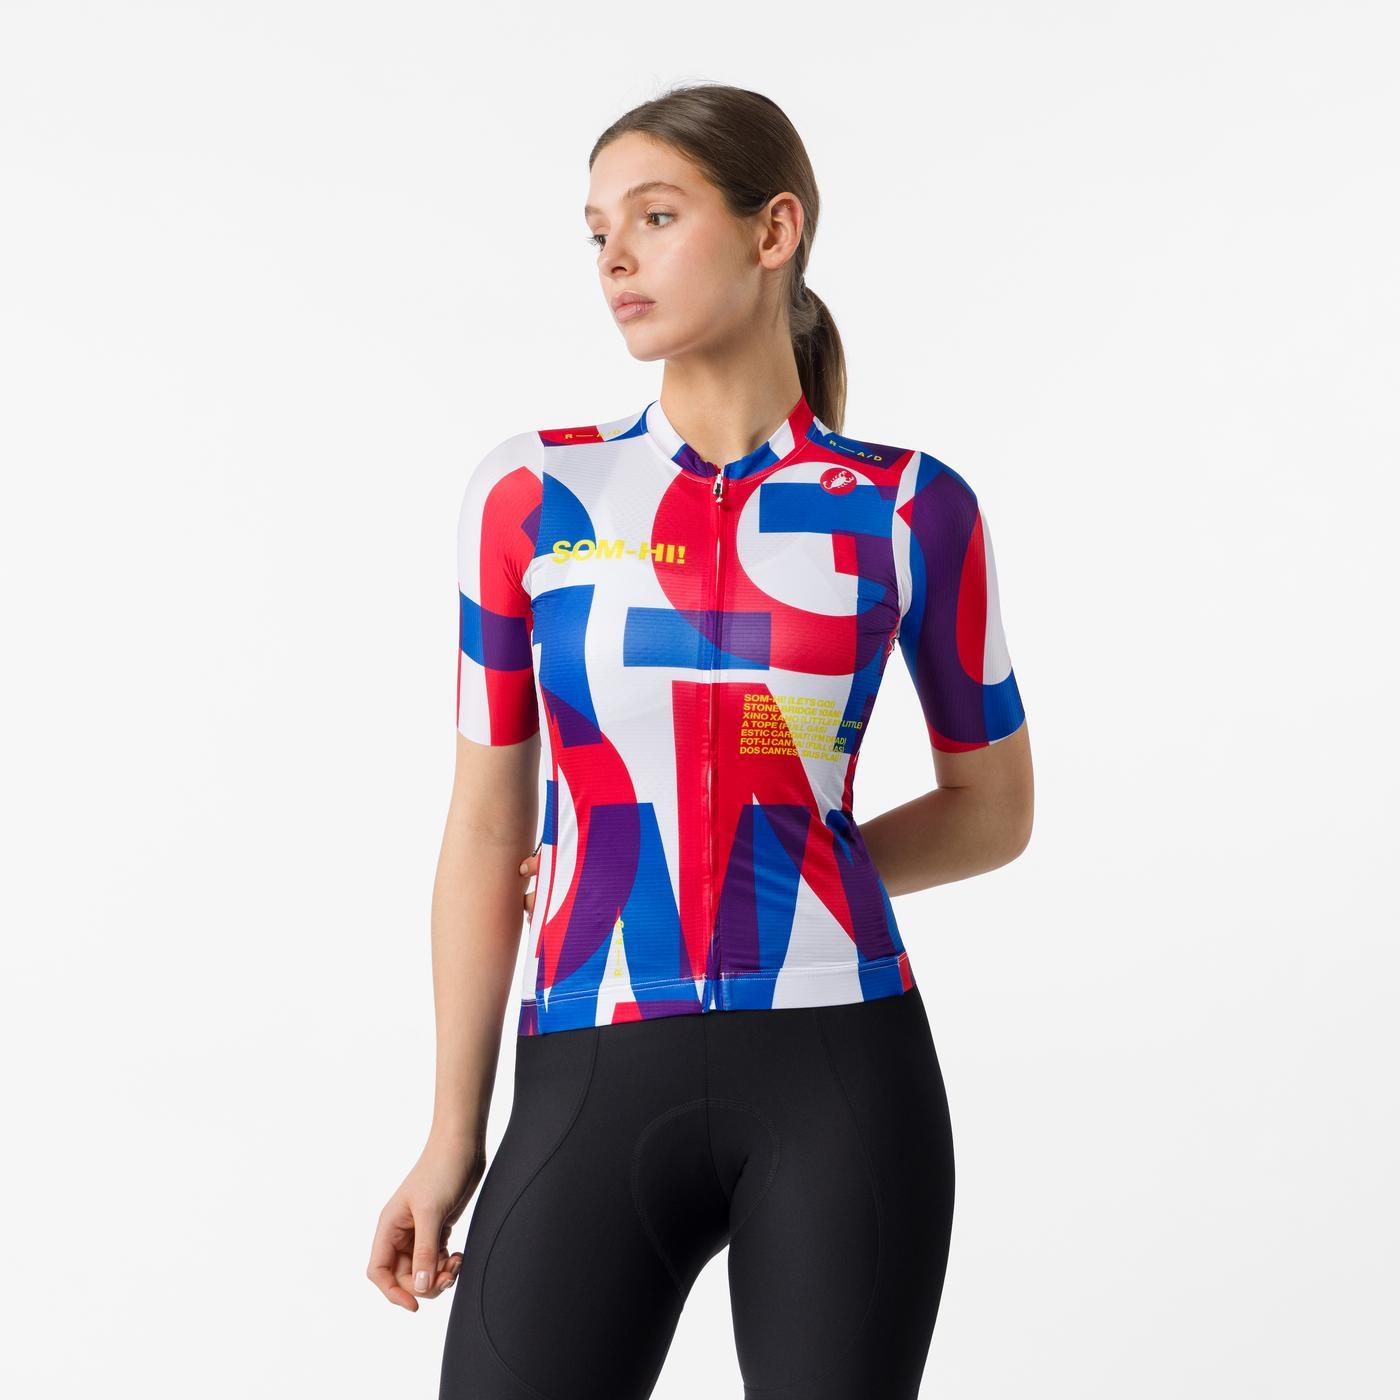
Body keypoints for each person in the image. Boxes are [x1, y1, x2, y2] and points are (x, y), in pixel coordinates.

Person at [368, 82, 1034, 1400]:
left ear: (774, 229)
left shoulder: (910, 507)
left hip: (841, 1069)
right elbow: (487, 827)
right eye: (598, 230)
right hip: (586, 1064)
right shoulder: (534, 494)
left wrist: (797, 867)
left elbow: (993, 809)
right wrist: (452, 1132)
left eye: (656, 217)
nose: (614, 257)